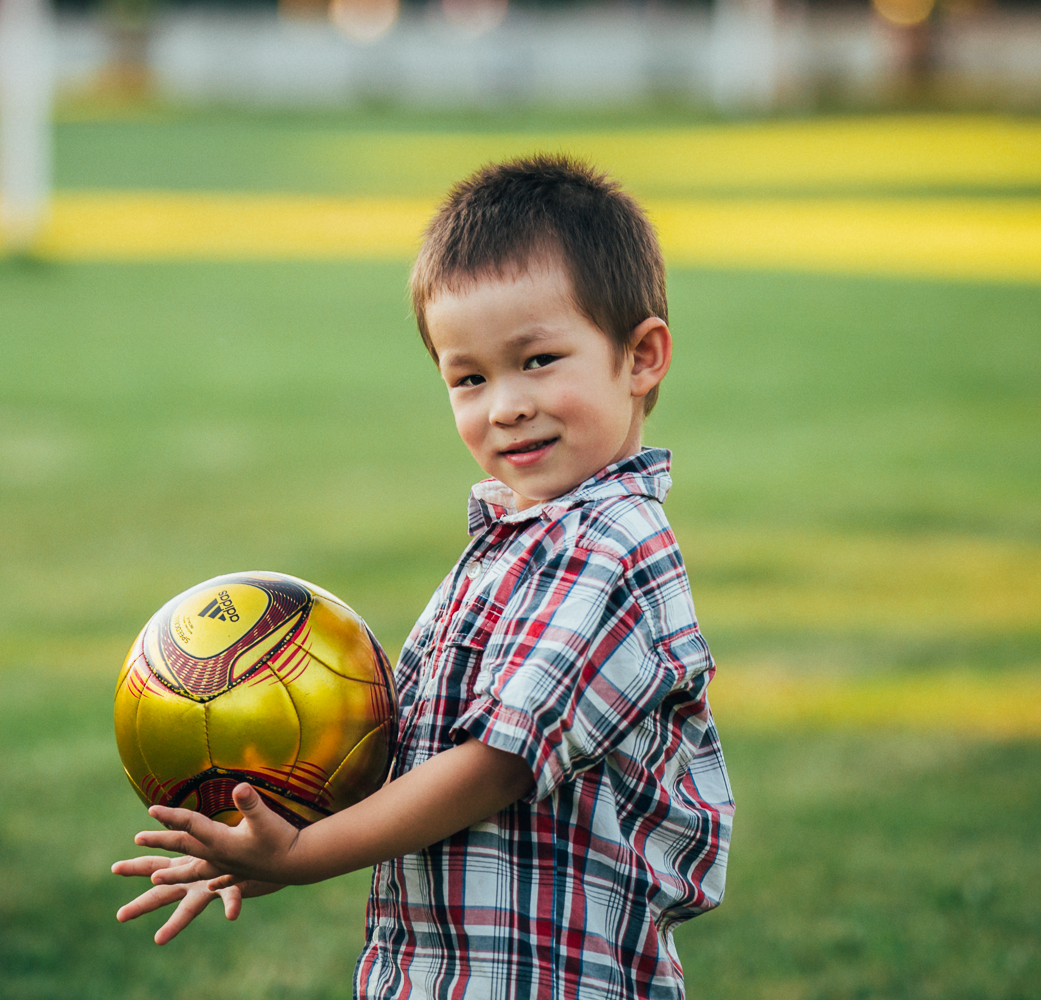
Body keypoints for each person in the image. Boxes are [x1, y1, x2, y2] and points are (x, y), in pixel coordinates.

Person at [113, 154, 734, 1000]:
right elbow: (415, 762)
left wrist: (306, 856)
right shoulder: (515, 540)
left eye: (540, 359)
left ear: (642, 357)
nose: (506, 404)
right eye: (469, 378)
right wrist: (275, 843)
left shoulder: (613, 544)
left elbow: (497, 765)